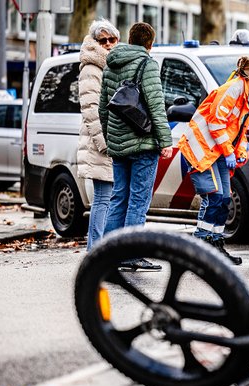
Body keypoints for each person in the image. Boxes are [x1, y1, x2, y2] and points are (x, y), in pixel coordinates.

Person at [177, 55, 249, 265]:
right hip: (203, 150)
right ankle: (201, 247)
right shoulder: (232, 91)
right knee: (215, 197)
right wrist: (229, 151)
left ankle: (216, 245)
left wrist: (239, 150)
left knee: (224, 199)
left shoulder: (248, 97)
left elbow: (238, 129)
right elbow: (216, 124)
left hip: (216, 150)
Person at [99, 22, 173, 271]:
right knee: (138, 200)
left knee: (118, 197)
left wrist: (111, 137)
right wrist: (165, 141)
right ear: (149, 43)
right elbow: (155, 105)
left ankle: (109, 253)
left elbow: (103, 108)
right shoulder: (147, 63)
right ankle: (131, 254)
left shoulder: (110, 65)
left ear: (129, 39)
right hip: (143, 142)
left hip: (118, 144)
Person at [77, 18, 119, 251]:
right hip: (100, 143)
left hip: (111, 140)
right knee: (103, 200)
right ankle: (95, 250)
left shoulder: (109, 65)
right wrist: (105, 143)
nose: (109, 44)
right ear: (95, 42)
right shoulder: (92, 68)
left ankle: (104, 250)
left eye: (112, 39)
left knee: (110, 200)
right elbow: (91, 110)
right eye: (103, 40)